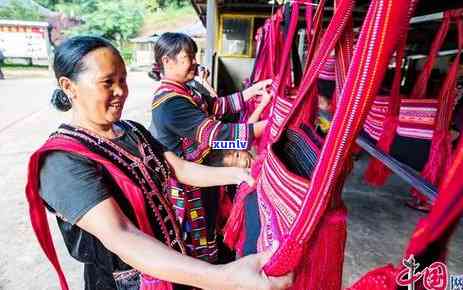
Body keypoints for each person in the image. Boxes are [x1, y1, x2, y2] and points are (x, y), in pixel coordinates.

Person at [25, 36, 292, 290]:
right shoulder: (63, 160)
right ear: (69, 87)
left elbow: (179, 168)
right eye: (107, 82)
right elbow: (121, 235)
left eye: (123, 80)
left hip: (170, 264)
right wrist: (222, 277)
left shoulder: (132, 130)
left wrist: (239, 174)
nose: (120, 91)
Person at [149, 32, 272, 263]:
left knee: (210, 225)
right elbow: (216, 135)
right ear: (167, 61)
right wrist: (271, 124)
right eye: (188, 57)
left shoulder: (186, 90)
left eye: (195, 56)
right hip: (189, 185)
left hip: (203, 173)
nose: (195, 62)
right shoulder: (170, 103)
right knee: (196, 238)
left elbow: (216, 105)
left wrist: (251, 92)